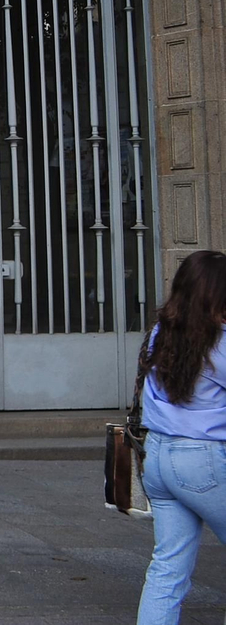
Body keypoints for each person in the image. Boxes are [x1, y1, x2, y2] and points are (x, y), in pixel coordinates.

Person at [135, 249, 226, 625]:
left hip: (156, 459)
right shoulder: (219, 343)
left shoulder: (159, 334)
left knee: (167, 570)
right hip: (204, 462)